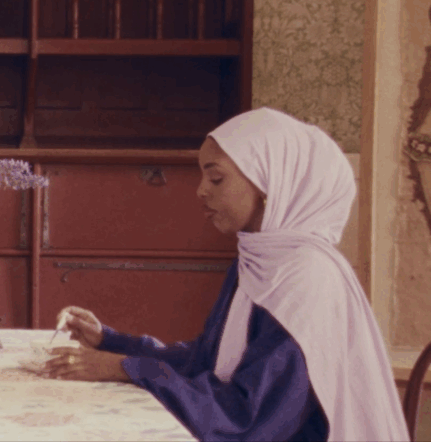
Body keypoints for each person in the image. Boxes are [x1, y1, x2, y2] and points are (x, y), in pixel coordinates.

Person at [45, 107, 409, 442]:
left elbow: (250, 419)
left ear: (269, 186)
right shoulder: (260, 259)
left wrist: (127, 369)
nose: (201, 191)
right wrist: (112, 342)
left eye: (216, 179)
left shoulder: (304, 279)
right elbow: (207, 359)